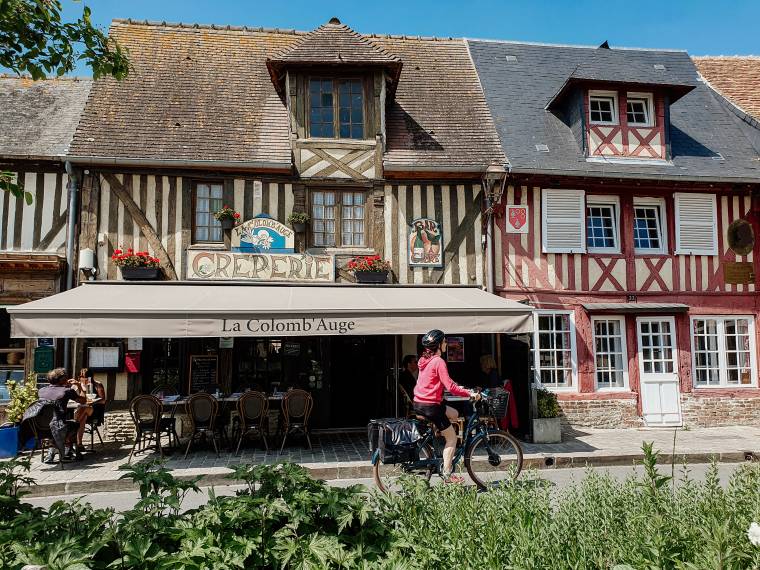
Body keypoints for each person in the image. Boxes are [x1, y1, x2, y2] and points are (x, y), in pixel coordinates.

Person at [413, 329, 480, 483]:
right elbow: (450, 387)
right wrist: (468, 394)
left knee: (455, 414)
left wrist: (454, 386)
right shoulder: (438, 361)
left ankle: (438, 433)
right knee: (452, 439)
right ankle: (447, 475)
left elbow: (434, 380)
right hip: (431, 406)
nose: (445, 344)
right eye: (444, 342)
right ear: (438, 344)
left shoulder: (424, 360)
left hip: (420, 403)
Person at [38, 367, 86, 462]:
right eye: (66, 377)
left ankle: (52, 449)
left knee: (56, 423)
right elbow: (83, 400)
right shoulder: (66, 391)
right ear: (62, 379)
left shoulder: (41, 391)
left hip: (41, 427)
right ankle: (67, 450)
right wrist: (79, 386)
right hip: (59, 426)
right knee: (75, 424)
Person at [71, 368, 106, 450]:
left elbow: (103, 400)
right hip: (80, 411)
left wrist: (93, 402)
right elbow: (75, 399)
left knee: (85, 408)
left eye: (87, 377)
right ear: (79, 377)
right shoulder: (75, 386)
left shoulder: (97, 385)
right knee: (83, 417)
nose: (85, 379)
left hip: (94, 410)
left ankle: (73, 428)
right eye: (82, 377)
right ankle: (79, 444)